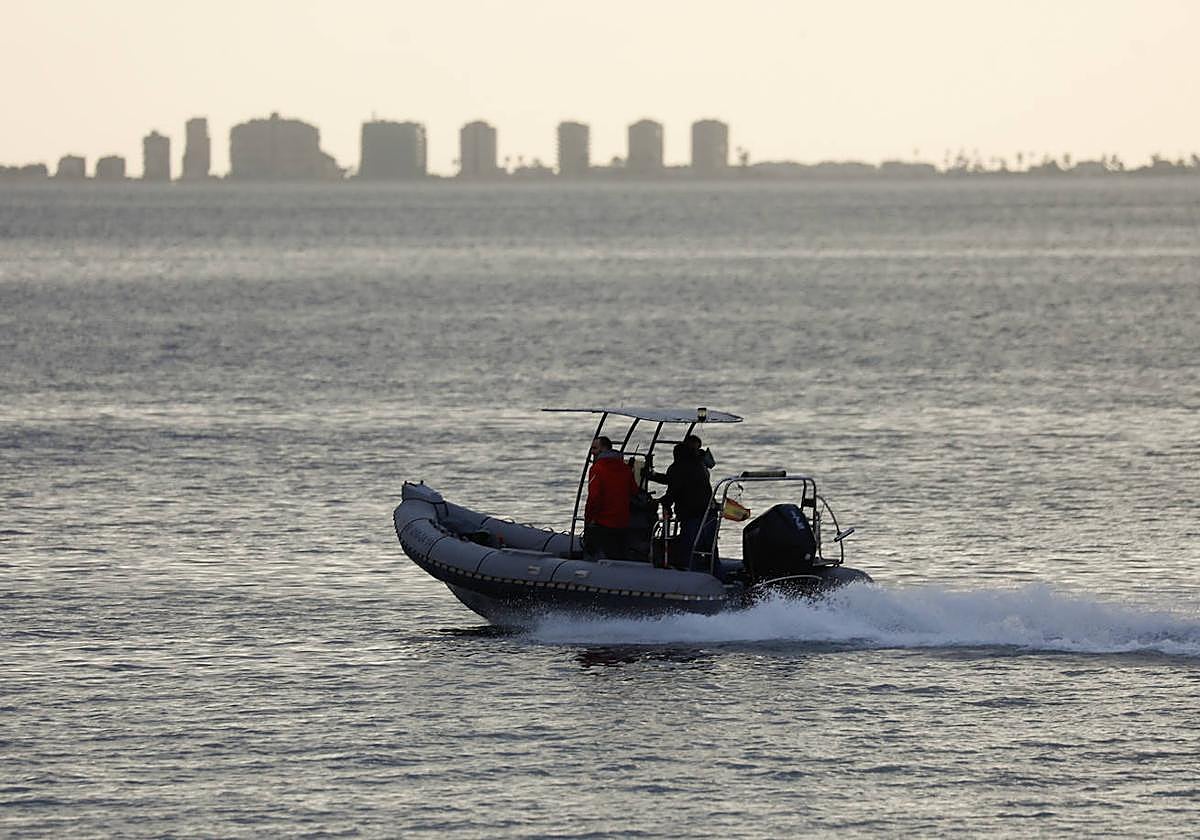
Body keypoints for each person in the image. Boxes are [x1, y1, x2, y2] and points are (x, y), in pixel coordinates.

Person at [658, 440, 721, 577]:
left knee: (690, 545)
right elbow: (675, 482)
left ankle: (691, 574)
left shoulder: (678, 468)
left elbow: (675, 488)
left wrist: (662, 502)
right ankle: (717, 575)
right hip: (709, 512)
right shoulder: (699, 466)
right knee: (711, 547)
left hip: (692, 514)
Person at [583, 436, 639, 560]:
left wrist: (589, 519)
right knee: (620, 557)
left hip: (603, 522)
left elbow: (594, 497)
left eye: (595, 448)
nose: (592, 451)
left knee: (597, 557)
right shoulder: (626, 469)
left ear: (603, 449)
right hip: (622, 522)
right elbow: (634, 491)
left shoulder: (597, 468)